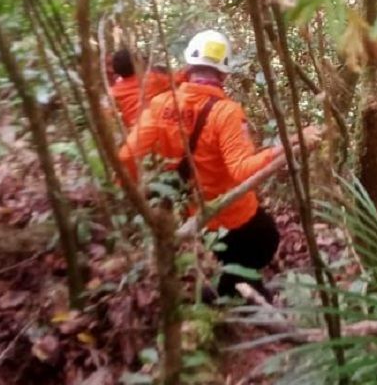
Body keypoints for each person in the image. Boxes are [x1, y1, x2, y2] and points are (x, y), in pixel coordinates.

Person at [118, 29, 320, 301]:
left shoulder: (161, 104)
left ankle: (229, 285)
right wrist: (289, 145)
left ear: (188, 67)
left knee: (239, 252)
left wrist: (133, 194)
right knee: (266, 238)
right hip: (232, 214)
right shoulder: (226, 113)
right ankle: (232, 291)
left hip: (191, 215)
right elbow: (243, 170)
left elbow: (127, 157)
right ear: (224, 74)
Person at [107, 49, 186, 129]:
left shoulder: (114, 92)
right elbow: (179, 78)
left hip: (134, 131)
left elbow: (110, 115)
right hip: (155, 127)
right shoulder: (152, 79)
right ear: (136, 65)